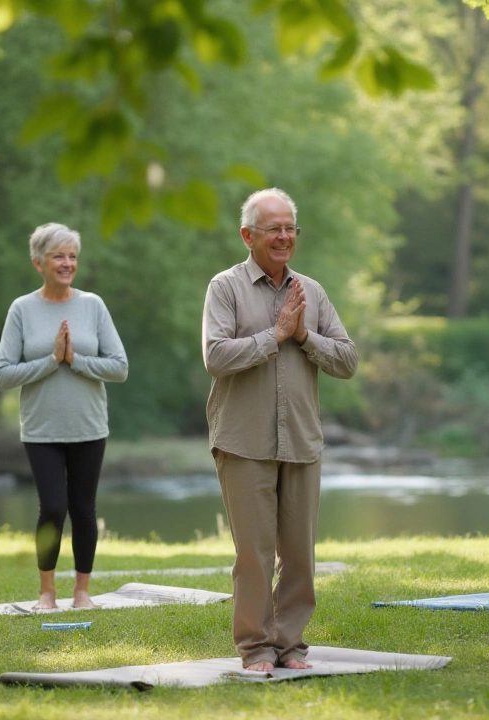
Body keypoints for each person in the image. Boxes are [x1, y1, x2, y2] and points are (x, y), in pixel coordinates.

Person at [202, 188, 358, 671]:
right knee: (254, 555)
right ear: (249, 235)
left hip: (302, 442)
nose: (285, 236)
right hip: (243, 442)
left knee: (299, 556)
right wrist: (274, 336)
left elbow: (348, 360)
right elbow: (216, 357)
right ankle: (255, 648)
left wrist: (305, 335)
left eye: (291, 228)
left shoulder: (312, 291)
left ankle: (290, 645)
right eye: (275, 228)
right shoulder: (224, 287)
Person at [0, 222, 128, 610]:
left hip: (89, 426)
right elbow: (3, 376)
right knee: (53, 507)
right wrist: (52, 361)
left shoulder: (92, 305)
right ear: (38, 262)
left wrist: (77, 360)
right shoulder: (22, 309)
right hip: (41, 430)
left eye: (72, 256)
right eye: (58, 256)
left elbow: (119, 367)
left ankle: (82, 592)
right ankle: (46, 592)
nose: (67, 263)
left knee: (83, 508)